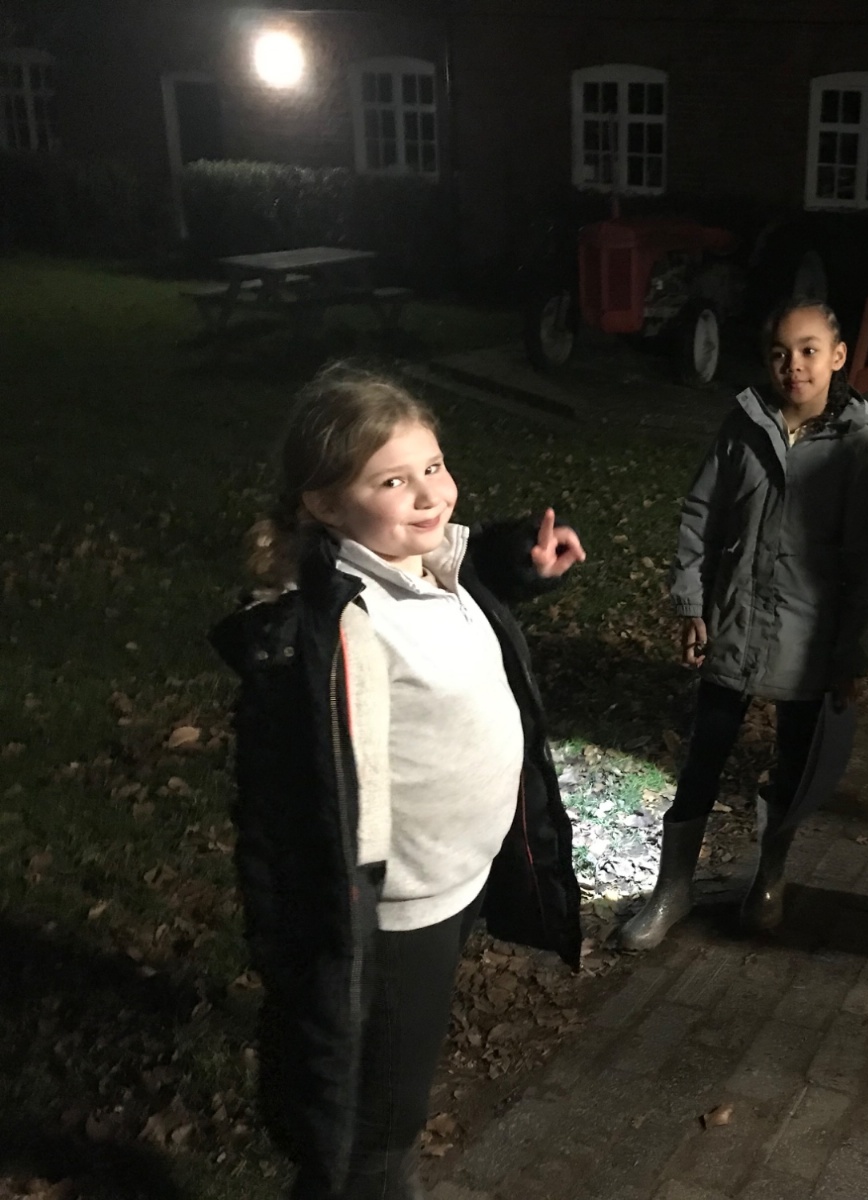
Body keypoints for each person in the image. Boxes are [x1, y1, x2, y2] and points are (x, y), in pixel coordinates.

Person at [209, 366, 586, 1198]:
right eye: (391, 481)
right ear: (322, 503)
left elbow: (463, 567)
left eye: (434, 466)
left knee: (387, 1067)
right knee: (376, 1122)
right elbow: (287, 806)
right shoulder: (332, 628)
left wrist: (521, 563)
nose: (427, 494)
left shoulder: (429, 566)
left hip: (459, 879)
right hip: (397, 909)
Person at [618, 299, 868, 951]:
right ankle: (673, 888)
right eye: (779, 353)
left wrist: (853, 656)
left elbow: (867, 559)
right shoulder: (744, 423)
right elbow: (701, 512)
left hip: (809, 639)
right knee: (702, 758)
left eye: (808, 350)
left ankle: (770, 875)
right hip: (735, 623)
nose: (794, 365)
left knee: (792, 765)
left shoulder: (859, 446)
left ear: (838, 356)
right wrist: (692, 603)